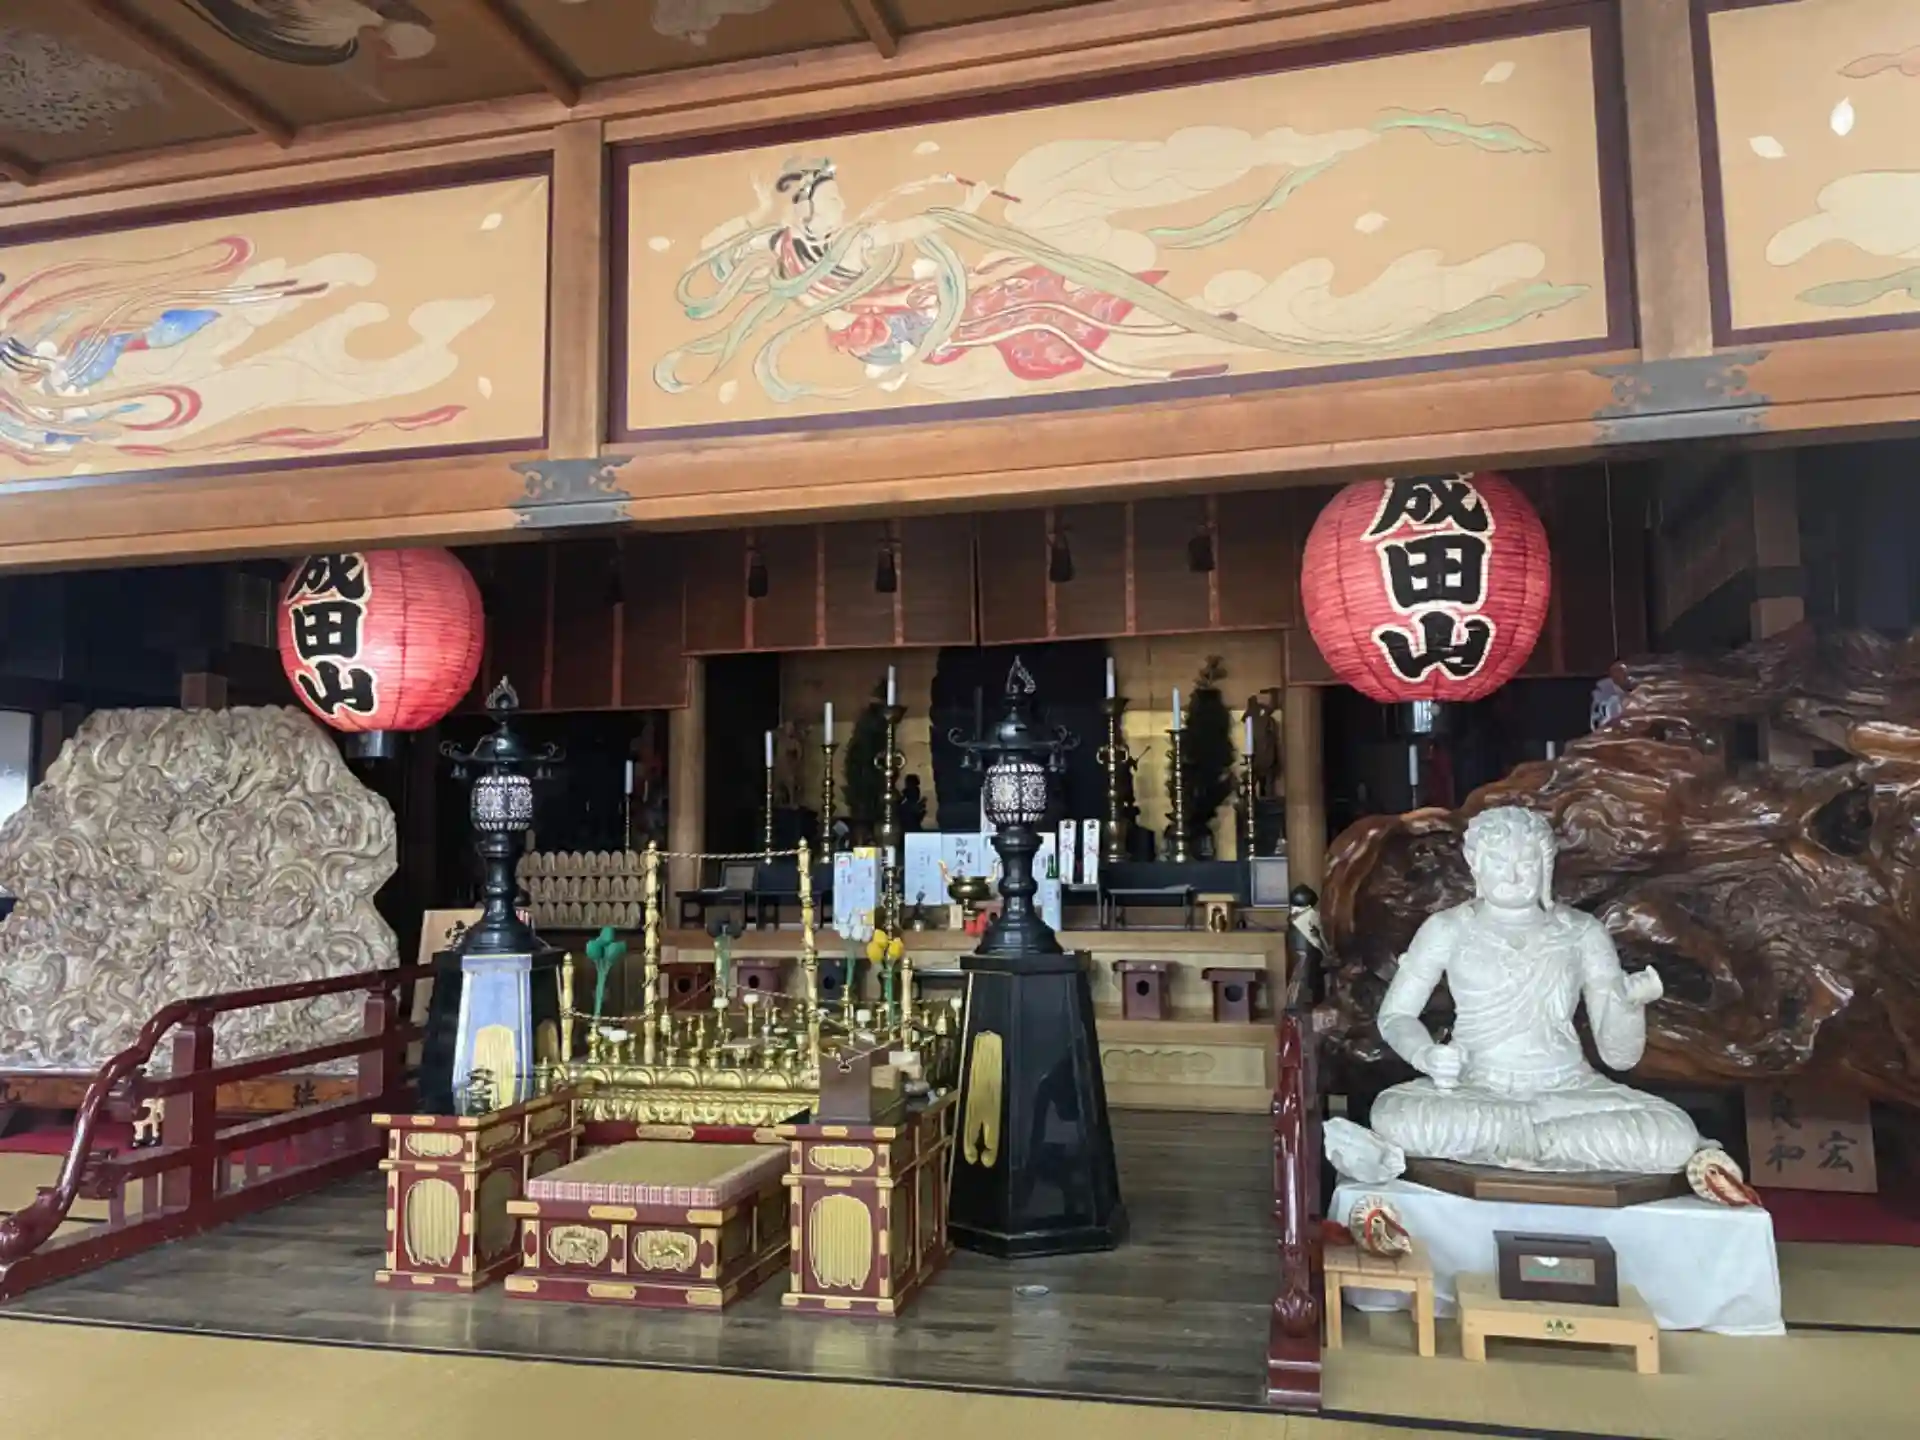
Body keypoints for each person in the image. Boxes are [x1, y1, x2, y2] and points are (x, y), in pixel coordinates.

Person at [1366, 806, 1701, 1174]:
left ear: (1546, 866)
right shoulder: (1447, 928)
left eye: (1526, 863)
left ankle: (1519, 1139)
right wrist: (1425, 1055)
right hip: (1478, 1085)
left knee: (1674, 1134)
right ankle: (1549, 1141)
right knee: (1393, 1113)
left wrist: (1629, 1006)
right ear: (1475, 865)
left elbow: (1619, 1057)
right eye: (1498, 863)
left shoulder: (1581, 931)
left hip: (1567, 1088)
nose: (1512, 875)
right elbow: (1396, 1015)